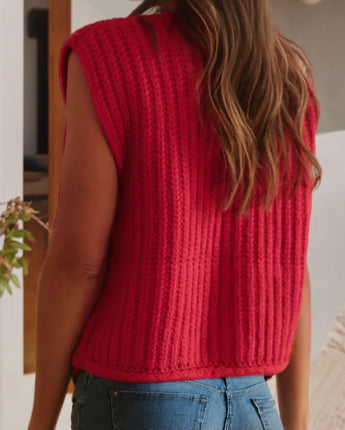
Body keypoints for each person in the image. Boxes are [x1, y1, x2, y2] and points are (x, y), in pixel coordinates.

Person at [28, 0, 322, 429]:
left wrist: (40, 421)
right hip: (253, 404)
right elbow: (291, 270)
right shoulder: (288, 75)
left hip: (137, 397)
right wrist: (297, 423)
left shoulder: (109, 53)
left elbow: (78, 262)